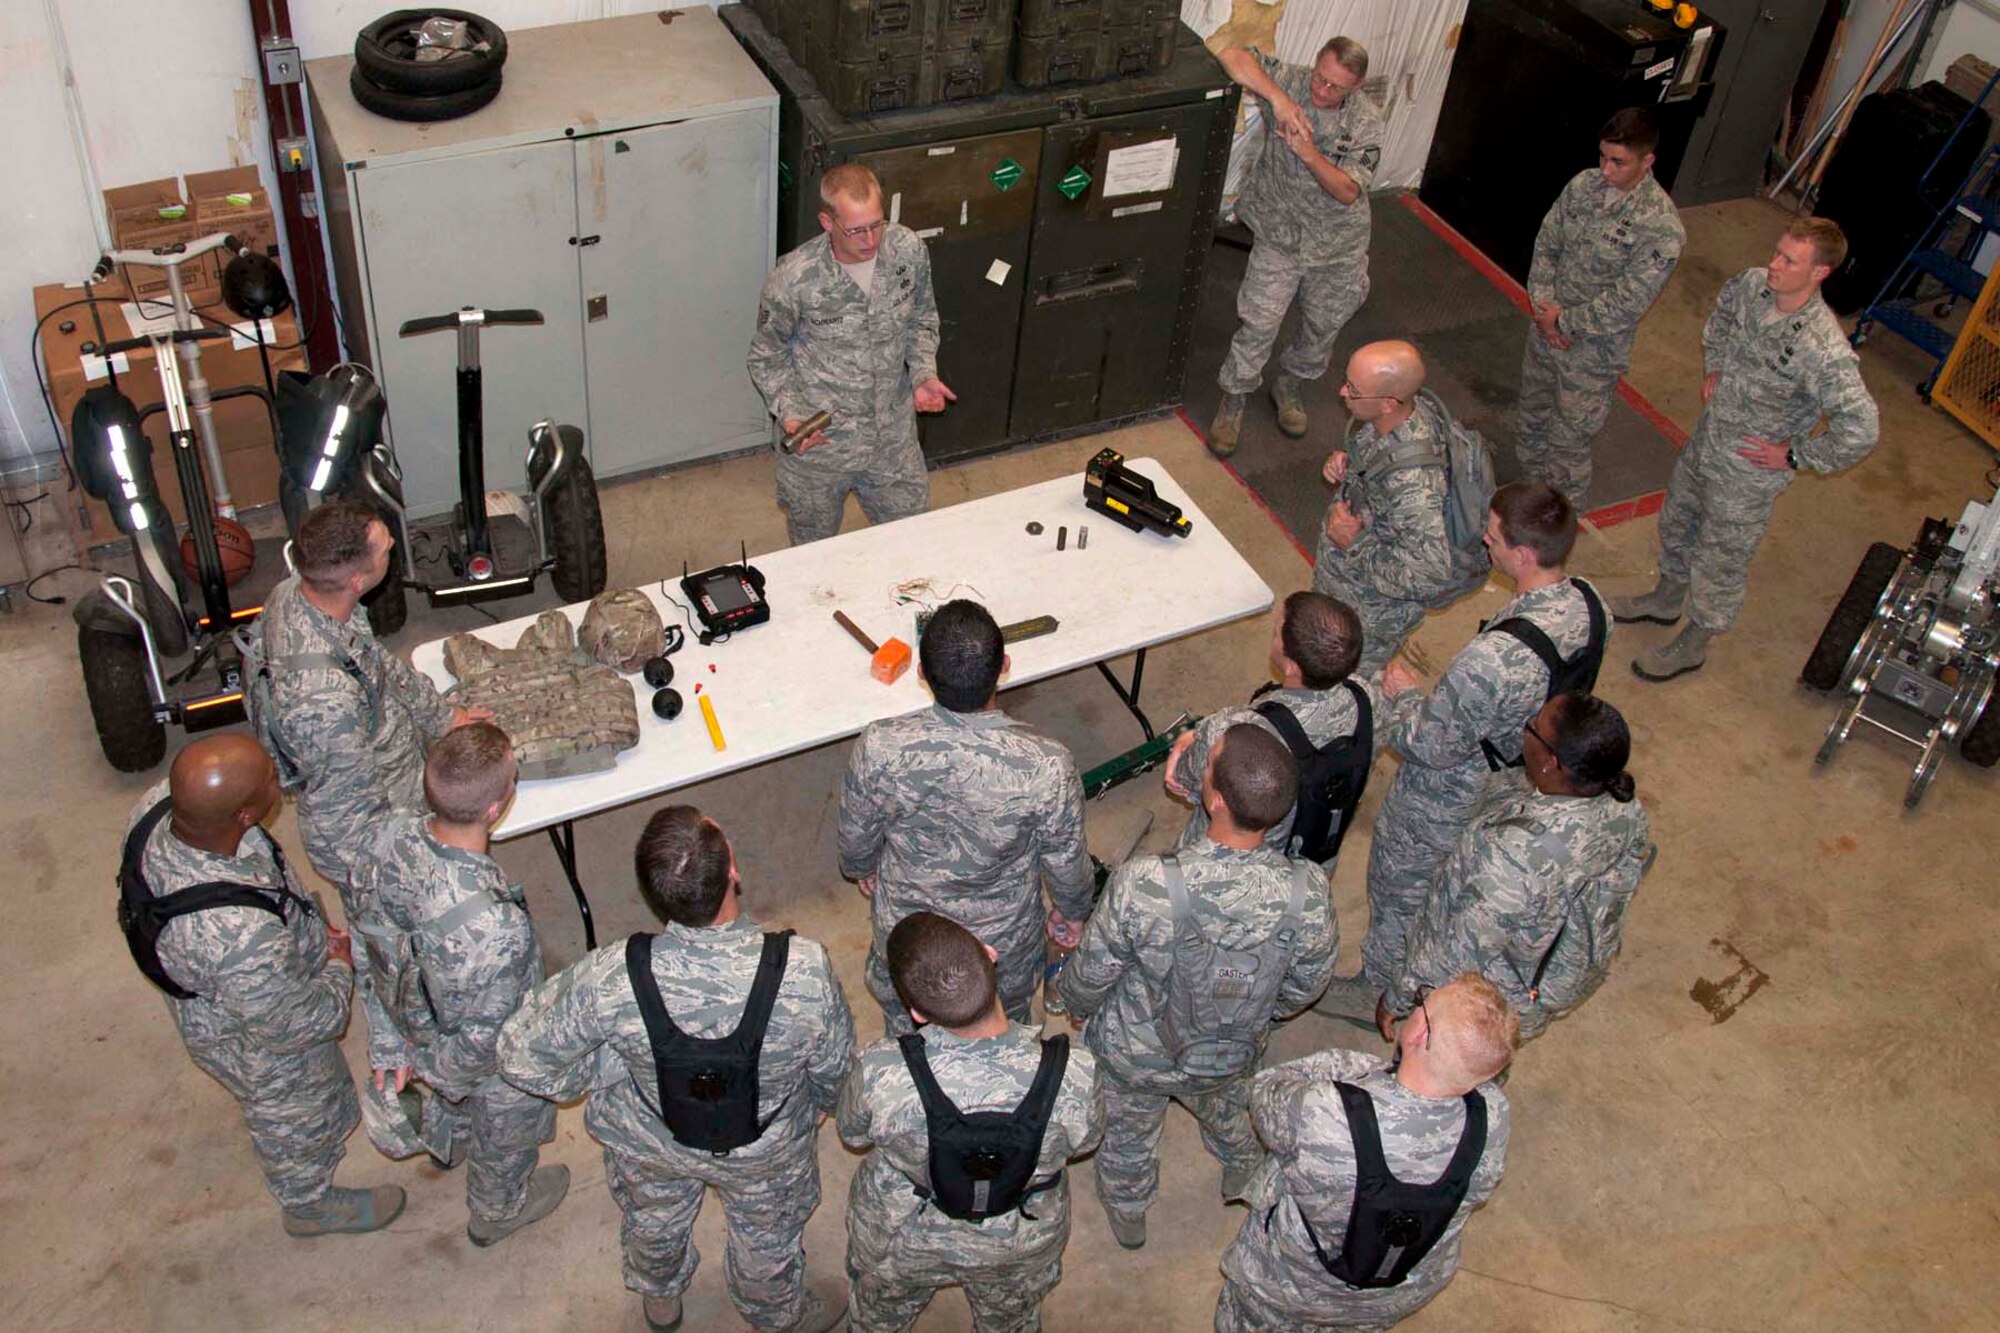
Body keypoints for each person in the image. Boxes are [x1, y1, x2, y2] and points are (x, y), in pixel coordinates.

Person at [498, 807, 852, 1333]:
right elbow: (835, 1069)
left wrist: (604, 1072)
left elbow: (517, 1053)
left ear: (654, 893)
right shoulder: (803, 970)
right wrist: (819, 1105)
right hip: (766, 1149)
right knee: (766, 1235)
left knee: (653, 1221)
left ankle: (660, 1298)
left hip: (651, 1139)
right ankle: (776, 1314)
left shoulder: (612, 975)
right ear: (733, 869)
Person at [1320, 483, 1604, 1021]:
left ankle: (1380, 985)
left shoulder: (1493, 661)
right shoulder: (1590, 605)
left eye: (1493, 538)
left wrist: (1401, 697)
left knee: (1402, 885)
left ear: (1522, 554)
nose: (1484, 543)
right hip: (1518, 780)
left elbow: (1429, 743)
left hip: (1448, 792)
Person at [1058, 725, 1337, 1250]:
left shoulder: (1146, 883)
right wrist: (1256, 1014)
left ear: (1213, 799)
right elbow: (1307, 985)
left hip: (1136, 1055)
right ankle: (1240, 1169)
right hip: (1227, 1051)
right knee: (1230, 1111)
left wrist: (1076, 1005)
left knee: (1128, 1133)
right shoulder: (1308, 895)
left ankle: (1129, 1209)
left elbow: (1094, 967)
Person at [120, 735, 400, 1237]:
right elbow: (300, 1024)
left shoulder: (163, 805)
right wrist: (338, 967)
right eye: (272, 778)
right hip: (252, 1027)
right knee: (298, 1107)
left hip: (243, 972)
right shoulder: (238, 940)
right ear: (245, 815)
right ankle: (308, 1203)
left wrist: (308, 934)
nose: (280, 777)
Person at [1612, 216, 1879, 680]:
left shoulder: (1823, 348)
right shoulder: (1753, 287)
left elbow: (1861, 427)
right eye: (1776, 252)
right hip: (1707, 442)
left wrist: (1795, 455)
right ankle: (1666, 597)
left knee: (1721, 556)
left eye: (1789, 260)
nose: (1773, 265)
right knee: (1677, 521)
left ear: (1820, 273)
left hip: (1748, 474)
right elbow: (1719, 319)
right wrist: (1714, 364)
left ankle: (1695, 640)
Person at [345, 722, 565, 1246]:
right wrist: (434, 1070)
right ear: (496, 809)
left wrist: (390, 1041)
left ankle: (453, 1139)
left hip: (411, 1015)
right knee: (507, 1122)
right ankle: (497, 1207)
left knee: (456, 1099)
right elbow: (484, 1047)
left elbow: (364, 934)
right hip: (465, 1055)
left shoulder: (386, 836)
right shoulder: (495, 929)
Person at [838, 912, 1103, 1332]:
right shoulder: (1075, 1072)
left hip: (906, 1236)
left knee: (879, 1315)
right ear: (991, 955)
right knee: (1009, 1321)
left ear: (917, 1013)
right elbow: (1086, 1143)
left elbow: (851, 1133)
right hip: (1019, 1241)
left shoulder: (881, 1071)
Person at [840, 598, 1092, 1034]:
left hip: (909, 947)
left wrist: (863, 867)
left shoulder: (879, 745)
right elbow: (1066, 861)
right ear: (1004, 667)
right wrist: (1071, 912)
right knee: (1005, 1030)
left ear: (920, 672)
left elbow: (855, 840)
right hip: (1000, 952)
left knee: (907, 1040)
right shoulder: (1046, 766)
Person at [1216, 973, 1516, 1332]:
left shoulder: (1324, 1113)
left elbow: (1265, 1093)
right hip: (1395, 1294)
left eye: (1423, 1002)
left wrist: (1352, 1068)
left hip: (1294, 1284)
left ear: (1420, 1032)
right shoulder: (1493, 1117)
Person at [1386, 695, 1653, 1041]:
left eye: (1534, 726)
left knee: (1455, 1061)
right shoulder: (1625, 809)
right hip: (1545, 984)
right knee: (1493, 1060)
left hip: (1490, 1001)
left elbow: (1458, 950)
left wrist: (1400, 996)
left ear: (1550, 763)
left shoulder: (1515, 857)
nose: (1528, 725)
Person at [747, 163, 954, 545]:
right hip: (821, 447)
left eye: (877, 224)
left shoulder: (907, 249)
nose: (871, 239)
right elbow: (766, 357)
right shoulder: (793, 279)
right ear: (827, 222)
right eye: (857, 229)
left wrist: (924, 373)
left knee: (914, 545)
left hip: (892, 442)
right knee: (815, 557)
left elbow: (922, 319)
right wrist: (792, 414)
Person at [1211, 38, 1384, 455]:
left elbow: (1346, 191)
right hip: (1280, 232)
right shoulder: (1291, 80)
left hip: (1337, 243)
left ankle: (1290, 384)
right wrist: (1280, 100)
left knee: (1322, 327)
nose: (1321, 91)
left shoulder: (1365, 121)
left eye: (1335, 87)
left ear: (1356, 86)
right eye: (1319, 78)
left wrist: (1307, 153)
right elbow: (1229, 51)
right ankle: (1234, 395)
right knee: (1259, 320)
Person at [1517, 107, 1687, 505]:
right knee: (1532, 418)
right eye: (1602, 157)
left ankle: (1558, 520)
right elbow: (1547, 245)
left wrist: (1565, 322)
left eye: (1619, 162)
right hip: (1545, 331)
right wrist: (1545, 311)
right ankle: (1527, 499)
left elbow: (1629, 301)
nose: (1606, 170)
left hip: (1591, 353)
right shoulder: (1583, 186)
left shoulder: (1661, 227)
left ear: (1648, 162)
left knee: (1568, 443)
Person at [1163, 591, 1378, 869]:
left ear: (1291, 666)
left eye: (1276, 633)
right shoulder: (1365, 696)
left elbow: (1187, 782)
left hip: (1227, 865)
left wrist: (1192, 737)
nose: (1272, 635)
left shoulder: (1233, 732)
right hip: (1307, 864)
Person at [1313, 340, 1465, 676]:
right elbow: (1379, 464)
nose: (1342, 392)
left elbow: (1430, 577)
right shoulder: (1404, 415)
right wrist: (1347, 464)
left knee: (1339, 694)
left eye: (1353, 389)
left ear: (1388, 403)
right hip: (1342, 592)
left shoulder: (1414, 485)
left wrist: (1355, 543)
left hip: (1364, 620)